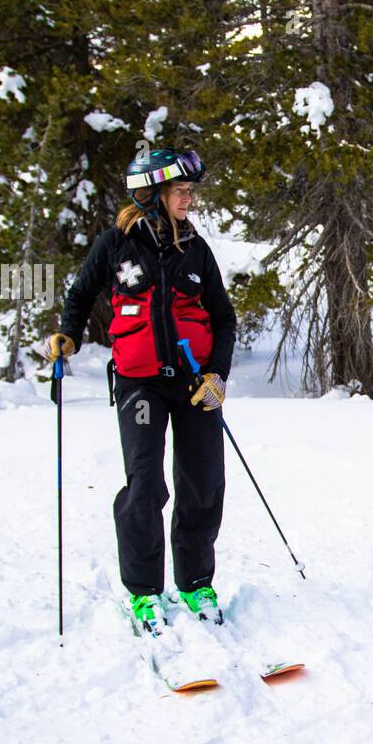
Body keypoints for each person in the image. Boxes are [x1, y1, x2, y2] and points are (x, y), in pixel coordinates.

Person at [43, 148, 238, 631]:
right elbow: (81, 294)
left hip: (196, 385)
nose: (189, 199)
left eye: (189, 191)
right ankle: (145, 592)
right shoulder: (114, 245)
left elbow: (224, 317)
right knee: (146, 485)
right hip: (139, 384)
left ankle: (195, 582)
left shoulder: (196, 249)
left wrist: (217, 374)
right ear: (152, 196)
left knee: (203, 481)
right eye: (181, 191)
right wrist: (67, 332)